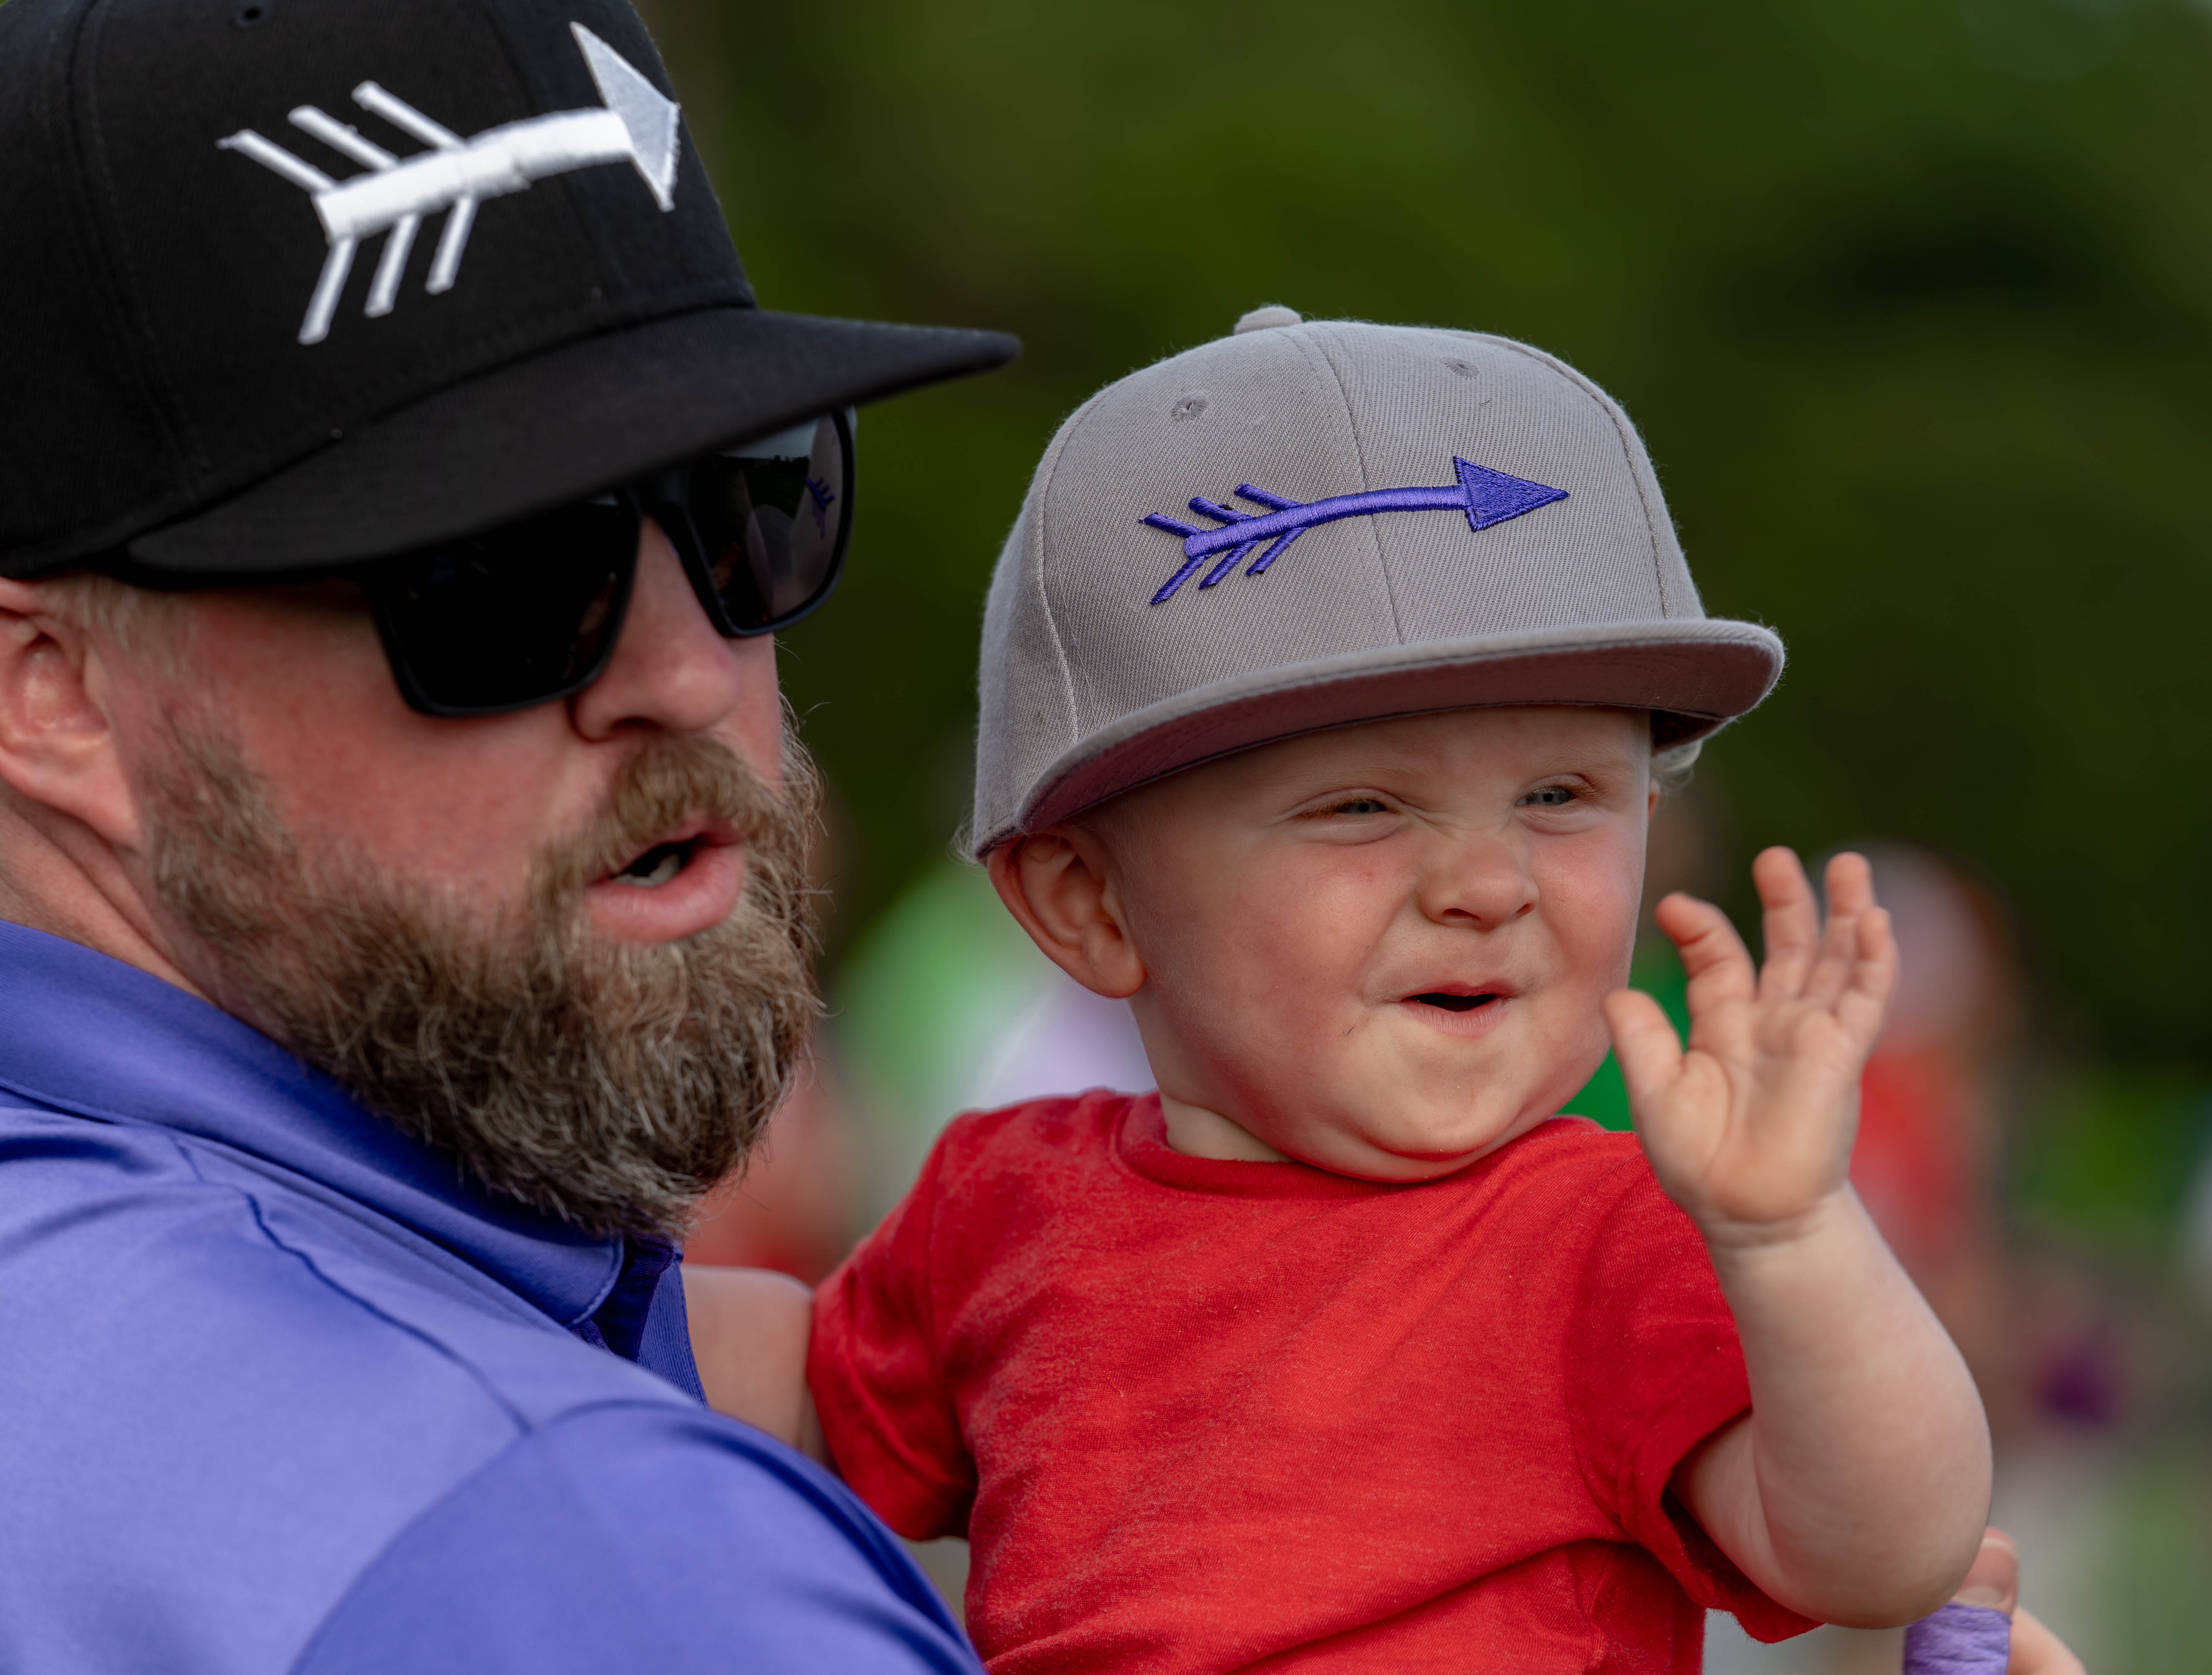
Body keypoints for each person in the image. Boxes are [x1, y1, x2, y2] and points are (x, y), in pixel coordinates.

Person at [688, 310, 1996, 1673]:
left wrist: (1790, 1236)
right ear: (1090, 904)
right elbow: (778, 1391)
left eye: (1560, 795)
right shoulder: (1001, 1213)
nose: (1487, 882)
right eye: (1363, 805)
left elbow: (1880, 1555)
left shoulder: (1612, 1243)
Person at [0, 0, 1016, 1667]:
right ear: (56, 695)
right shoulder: (596, 1549)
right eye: (501, 571)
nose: (689, 672)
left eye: (750, 500)